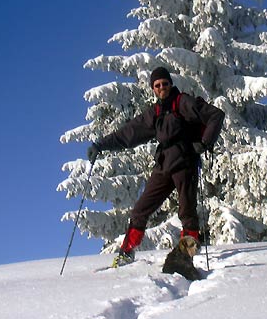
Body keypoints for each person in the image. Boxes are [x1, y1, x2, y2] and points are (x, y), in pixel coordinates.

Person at [87, 67, 225, 267]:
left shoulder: (183, 102)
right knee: (140, 210)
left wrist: (204, 143)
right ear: (153, 88)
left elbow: (216, 115)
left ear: (171, 84)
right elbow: (128, 133)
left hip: (185, 162)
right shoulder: (155, 113)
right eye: (157, 85)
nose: (162, 88)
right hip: (163, 166)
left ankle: (187, 256)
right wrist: (100, 145)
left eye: (165, 84)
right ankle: (127, 252)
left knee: (187, 211)